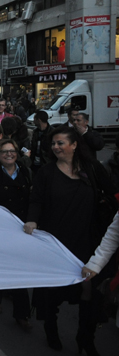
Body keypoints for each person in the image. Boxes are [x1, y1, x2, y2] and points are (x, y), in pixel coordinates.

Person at [24, 126, 118, 354]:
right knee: (53, 292)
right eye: (53, 143)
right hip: (56, 243)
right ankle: (51, 329)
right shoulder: (46, 172)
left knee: (90, 291)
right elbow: (36, 200)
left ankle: (85, 338)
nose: (56, 147)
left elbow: (113, 194)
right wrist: (32, 220)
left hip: (88, 240)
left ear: (74, 145)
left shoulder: (92, 168)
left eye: (61, 143)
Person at [0, 139, 33, 332]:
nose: (9, 154)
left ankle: (22, 314)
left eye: (12, 151)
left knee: (19, 270)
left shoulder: (26, 172)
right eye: (4, 151)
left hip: (21, 227)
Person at [30, 110, 53, 175]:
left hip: (46, 164)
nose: (33, 121)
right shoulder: (36, 132)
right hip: (35, 164)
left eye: (34, 119)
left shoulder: (52, 132)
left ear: (39, 120)